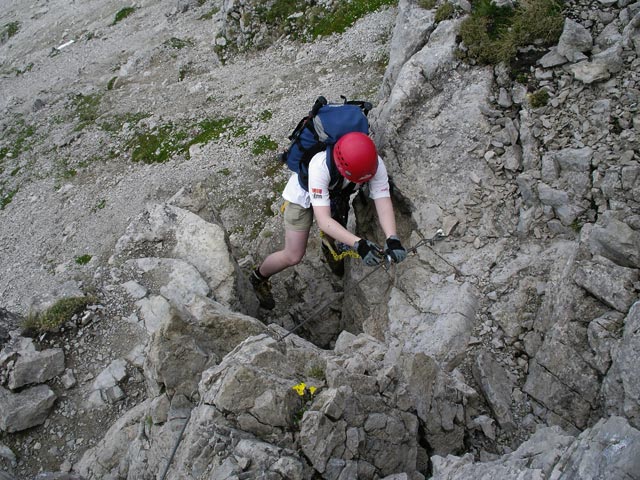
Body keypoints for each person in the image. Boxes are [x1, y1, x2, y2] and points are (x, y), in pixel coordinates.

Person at [250, 132, 407, 309]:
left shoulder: (373, 163)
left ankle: (329, 246)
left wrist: (392, 238)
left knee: (338, 233)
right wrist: (360, 244)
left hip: (334, 194)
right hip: (301, 198)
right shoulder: (320, 165)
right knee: (293, 255)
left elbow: (382, 198)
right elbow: (323, 220)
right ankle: (258, 278)